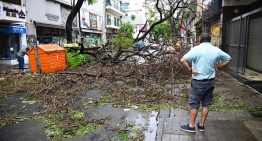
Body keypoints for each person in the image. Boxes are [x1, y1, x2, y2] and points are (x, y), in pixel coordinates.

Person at [179, 33, 232, 133]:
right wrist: (220, 65)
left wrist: (190, 70)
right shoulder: (216, 50)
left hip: (198, 82)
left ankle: (191, 126)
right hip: (210, 82)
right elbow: (229, 58)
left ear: (200, 39)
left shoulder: (196, 49)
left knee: (194, 104)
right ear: (210, 40)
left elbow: (182, 60)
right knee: (206, 104)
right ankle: (201, 125)